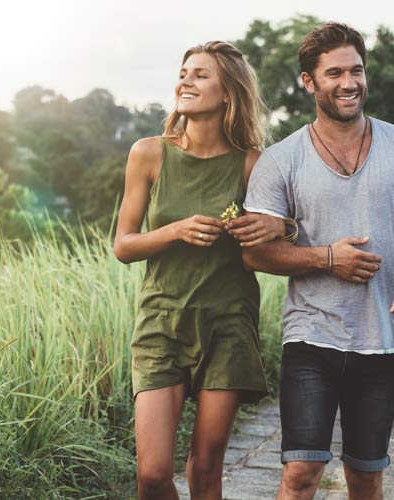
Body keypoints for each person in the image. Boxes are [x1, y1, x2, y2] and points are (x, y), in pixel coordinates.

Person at [241, 22, 394, 500]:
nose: (349, 82)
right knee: (300, 474)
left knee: (365, 476)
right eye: (334, 73)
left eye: (356, 70)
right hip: (311, 335)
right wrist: (326, 258)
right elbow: (254, 250)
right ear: (309, 82)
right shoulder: (281, 159)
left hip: (383, 337)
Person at [112, 40, 289, 500]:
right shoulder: (149, 154)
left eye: (200, 74)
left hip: (227, 321)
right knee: (152, 475)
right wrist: (175, 231)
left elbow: (286, 233)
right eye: (184, 72)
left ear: (228, 92)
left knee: (206, 471)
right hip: (161, 322)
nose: (185, 80)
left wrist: (274, 225)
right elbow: (124, 245)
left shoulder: (252, 164)